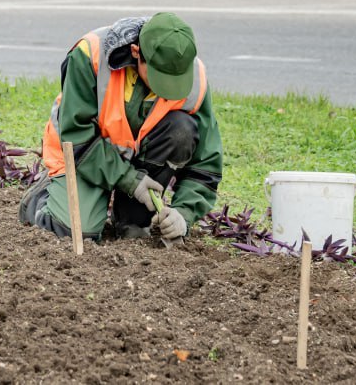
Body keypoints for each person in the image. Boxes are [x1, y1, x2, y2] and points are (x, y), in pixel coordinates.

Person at [18, 13, 222, 244]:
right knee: (76, 232)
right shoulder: (90, 54)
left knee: (181, 130)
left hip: (136, 166)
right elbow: (77, 136)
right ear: (136, 53)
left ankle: (131, 220)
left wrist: (184, 213)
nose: (167, 90)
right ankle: (39, 198)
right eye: (158, 78)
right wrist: (130, 181)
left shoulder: (194, 78)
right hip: (83, 156)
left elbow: (206, 166)